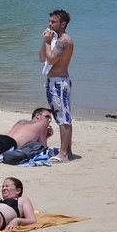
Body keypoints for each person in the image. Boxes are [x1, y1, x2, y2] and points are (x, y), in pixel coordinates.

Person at [40, 9, 74, 162]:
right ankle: (67, 151)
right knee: (60, 117)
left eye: (53, 22)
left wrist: (48, 42)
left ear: (63, 24)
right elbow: (42, 58)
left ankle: (64, 154)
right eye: (50, 21)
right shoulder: (55, 39)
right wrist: (45, 41)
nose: (50, 24)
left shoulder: (64, 40)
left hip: (60, 81)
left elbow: (52, 59)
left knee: (63, 118)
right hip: (53, 81)